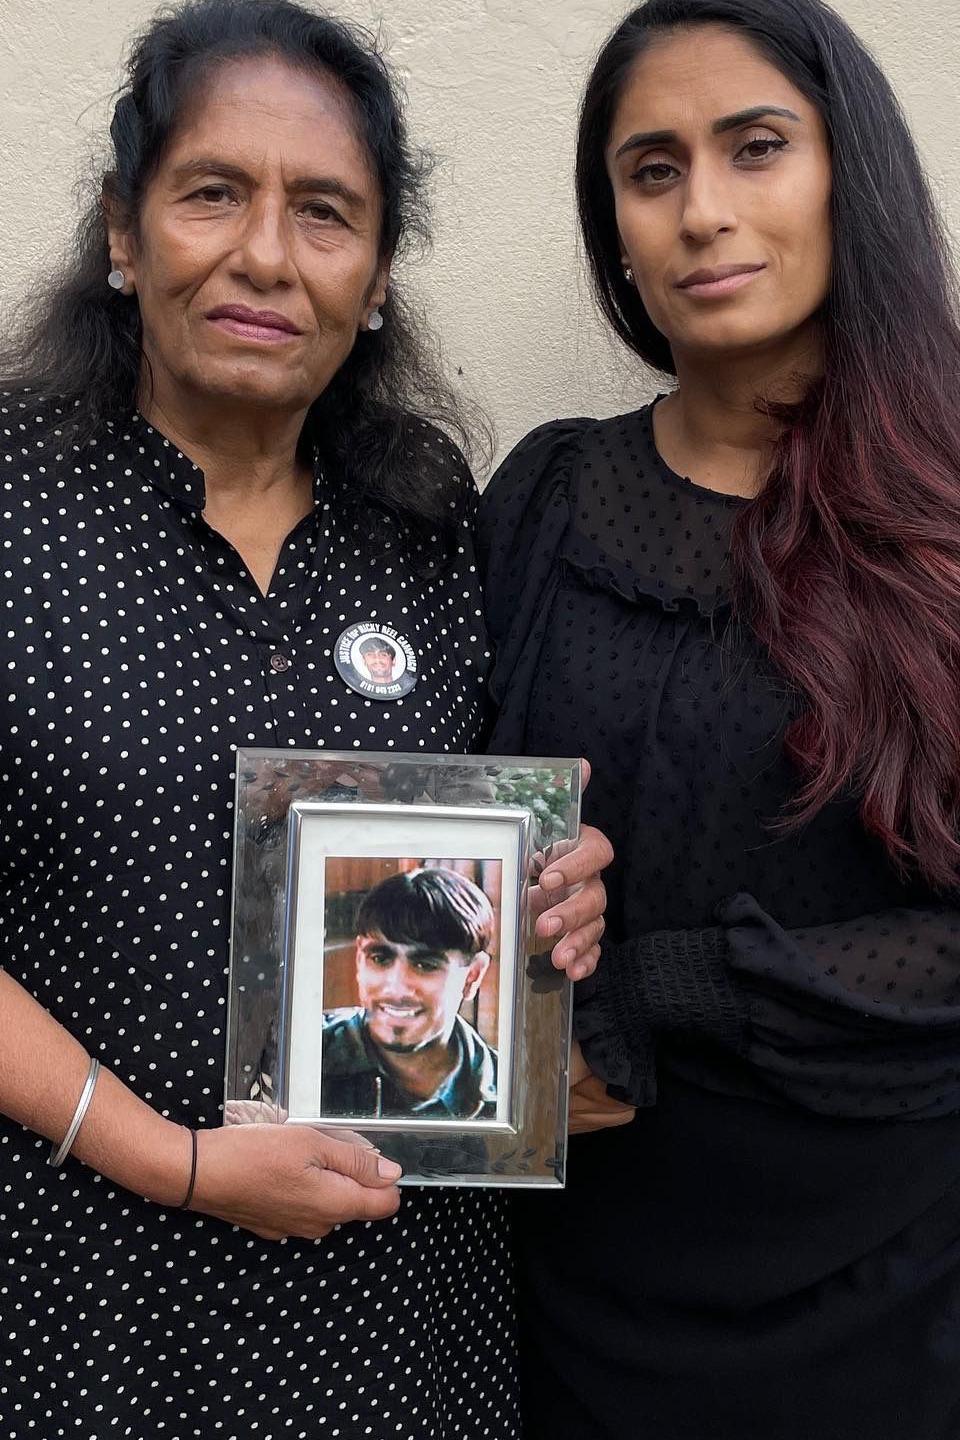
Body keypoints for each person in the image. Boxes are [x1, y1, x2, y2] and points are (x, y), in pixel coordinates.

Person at [0, 3, 611, 1436]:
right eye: (213, 192)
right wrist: (179, 1161)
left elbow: (458, 882)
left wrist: (552, 902)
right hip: (84, 1308)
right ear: (124, 231)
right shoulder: (14, 503)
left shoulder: (428, 521)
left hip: (403, 1325)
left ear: (379, 271)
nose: (266, 254)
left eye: (325, 213)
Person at [477, 1, 960, 1436]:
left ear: (847, 172)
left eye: (757, 149)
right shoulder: (547, 500)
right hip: (572, 1286)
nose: (704, 212)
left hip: (895, 1286)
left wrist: (648, 990)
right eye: (652, 168)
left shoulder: (945, 516)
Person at [322, 866, 499, 1120]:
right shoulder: (303, 1054)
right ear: (360, 959)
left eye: (425, 965)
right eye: (380, 958)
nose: (396, 987)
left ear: (473, 975)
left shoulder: (511, 1093)